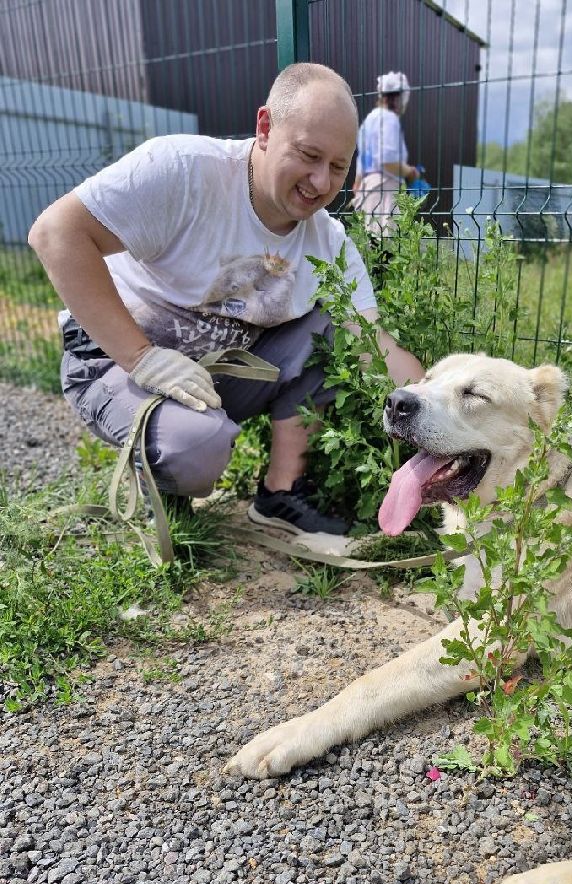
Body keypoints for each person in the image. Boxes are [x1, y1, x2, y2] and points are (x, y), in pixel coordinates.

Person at [27, 62, 424, 537]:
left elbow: (372, 344)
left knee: (330, 326)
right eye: (307, 155)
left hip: (213, 375)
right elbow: (55, 234)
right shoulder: (184, 170)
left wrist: (441, 409)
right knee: (197, 448)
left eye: (338, 167)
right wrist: (141, 357)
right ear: (264, 128)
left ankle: (281, 496)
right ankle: (164, 477)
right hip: (113, 359)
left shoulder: (330, 244)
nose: (320, 182)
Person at [353, 71, 421, 238]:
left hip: (367, 187)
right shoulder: (389, 119)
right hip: (384, 187)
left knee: (371, 247)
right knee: (386, 247)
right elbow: (387, 159)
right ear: (398, 98)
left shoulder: (369, 119)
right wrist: (410, 172)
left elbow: (362, 159)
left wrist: (358, 184)